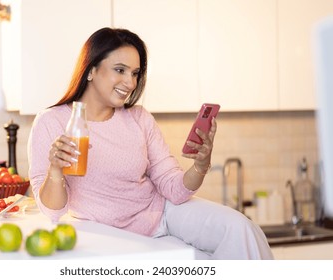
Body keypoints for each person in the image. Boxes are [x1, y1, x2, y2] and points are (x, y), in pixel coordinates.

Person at [27, 27, 273, 260]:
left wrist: (200, 164)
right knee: (199, 262)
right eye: (120, 70)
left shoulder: (139, 118)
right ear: (91, 70)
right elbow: (53, 210)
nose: (131, 83)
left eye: (135, 73)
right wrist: (56, 169)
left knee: (242, 228)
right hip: (112, 235)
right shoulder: (51, 122)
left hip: (163, 212)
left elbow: (173, 188)